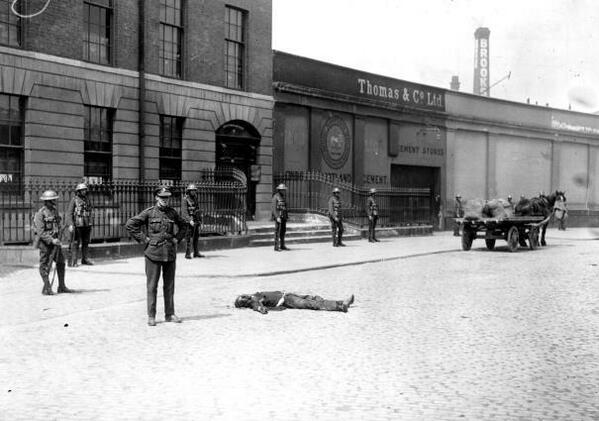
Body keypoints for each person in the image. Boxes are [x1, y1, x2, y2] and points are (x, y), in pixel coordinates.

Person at [126, 186, 188, 326]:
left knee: (169, 286)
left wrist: (177, 239)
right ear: (156, 198)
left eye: (167, 197)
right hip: (153, 254)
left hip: (169, 254)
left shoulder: (173, 213)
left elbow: (184, 226)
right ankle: (151, 316)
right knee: (152, 286)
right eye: (162, 197)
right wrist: (144, 239)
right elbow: (130, 224)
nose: (165, 200)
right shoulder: (149, 213)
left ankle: (170, 314)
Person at [34, 190, 73, 295]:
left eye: (54, 200)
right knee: (44, 266)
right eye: (52, 201)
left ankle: (62, 286)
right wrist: (52, 240)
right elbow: (41, 232)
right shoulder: (40, 214)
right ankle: (47, 287)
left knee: (61, 262)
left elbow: (58, 225)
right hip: (45, 244)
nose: (54, 202)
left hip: (55, 243)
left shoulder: (55, 211)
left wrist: (61, 234)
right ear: (46, 202)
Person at [234, 291, 355, 314]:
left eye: (241, 296)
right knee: (312, 304)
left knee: (314, 298)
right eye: (242, 299)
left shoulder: (254, 295)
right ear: (245, 303)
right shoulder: (254, 301)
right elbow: (258, 307)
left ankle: (342, 302)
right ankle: (340, 306)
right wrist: (261, 309)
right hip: (287, 300)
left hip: (288, 294)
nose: (243, 296)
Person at [65, 182, 94, 267]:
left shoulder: (87, 199)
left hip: (87, 224)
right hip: (77, 224)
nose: (84, 191)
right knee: (76, 243)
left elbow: (90, 210)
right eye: (82, 190)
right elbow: (69, 213)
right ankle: (74, 261)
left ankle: (84, 259)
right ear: (79, 191)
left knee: (86, 242)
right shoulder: (74, 200)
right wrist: (70, 224)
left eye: (85, 190)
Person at [182, 183, 204, 259]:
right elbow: (184, 212)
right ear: (188, 191)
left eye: (194, 190)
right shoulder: (185, 199)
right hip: (188, 221)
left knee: (196, 237)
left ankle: (196, 252)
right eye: (192, 190)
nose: (193, 192)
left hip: (195, 219)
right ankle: (187, 254)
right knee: (188, 238)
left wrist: (200, 219)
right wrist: (189, 220)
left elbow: (197, 209)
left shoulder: (195, 198)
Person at [272, 183, 289, 251]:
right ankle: (276, 247)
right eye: (282, 189)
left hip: (283, 217)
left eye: (284, 189)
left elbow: (284, 207)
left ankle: (282, 245)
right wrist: (277, 217)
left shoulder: (282, 197)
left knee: (283, 231)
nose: (283, 191)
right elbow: (273, 208)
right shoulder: (275, 196)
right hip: (279, 217)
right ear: (279, 190)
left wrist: (286, 216)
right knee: (277, 232)